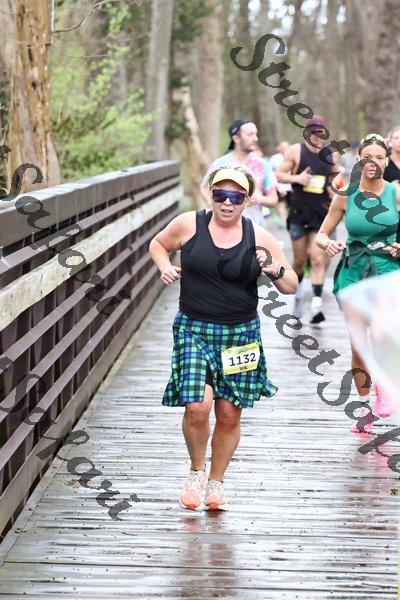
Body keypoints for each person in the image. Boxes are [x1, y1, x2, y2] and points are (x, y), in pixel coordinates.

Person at [150, 166, 298, 511]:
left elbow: (291, 284)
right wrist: (164, 266)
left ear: (247, 200)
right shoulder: (189, 224)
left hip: (240, 334)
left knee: (230, 413)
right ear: (211, 195)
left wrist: (274, 269)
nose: (227, 203)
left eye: (235, 196)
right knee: (197, 406)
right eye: (220, 195)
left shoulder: (259, 236)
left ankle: (216, 483)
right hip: (193, 328)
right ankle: (196, 473)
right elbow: (158, 244)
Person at [315, 133, 400, 433]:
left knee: (379, 331)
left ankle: (384, 388)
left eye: (379, 157)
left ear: (387, 161)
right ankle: (363, 409)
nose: (373, 162)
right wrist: (328, 243)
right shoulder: (346, 195)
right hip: (353, 269)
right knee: (358, 345)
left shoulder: (395, 193)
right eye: (367, 158)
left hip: (386, 269)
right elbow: (322, 233)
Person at [277, 115, 338, 323]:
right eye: (313, 132)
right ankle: (297, 299)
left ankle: (316, 307)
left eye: (320, 132)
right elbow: (279, 174)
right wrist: (297, 178)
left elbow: (335, 176)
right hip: (299, 212)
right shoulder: (295, 151)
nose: (317, 136)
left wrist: (332, 188)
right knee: (300, 260)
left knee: (317, 258)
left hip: (320, 212)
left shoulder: (329, 154)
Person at [199, 120, 278, 227]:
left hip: (254, 227)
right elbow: (204, 187)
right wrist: (212, 202)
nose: (255, 138)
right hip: (222, 227)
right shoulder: (220, 164)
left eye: (256, 134)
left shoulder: (263, 165)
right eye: (250, 134)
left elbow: (274, 200)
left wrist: (259, 198)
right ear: (236, 138)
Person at [269, 141, 292, 224]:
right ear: (279, 148)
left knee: (291, 204)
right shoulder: (274, 158)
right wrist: (276, 186)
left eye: (287, 147)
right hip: (279, 185)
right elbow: (271, 173)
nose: (285, 149)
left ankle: (290, 218)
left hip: (290, 185)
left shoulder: (292, 157)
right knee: (281, 203)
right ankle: (284, 219)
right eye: (283, 148)